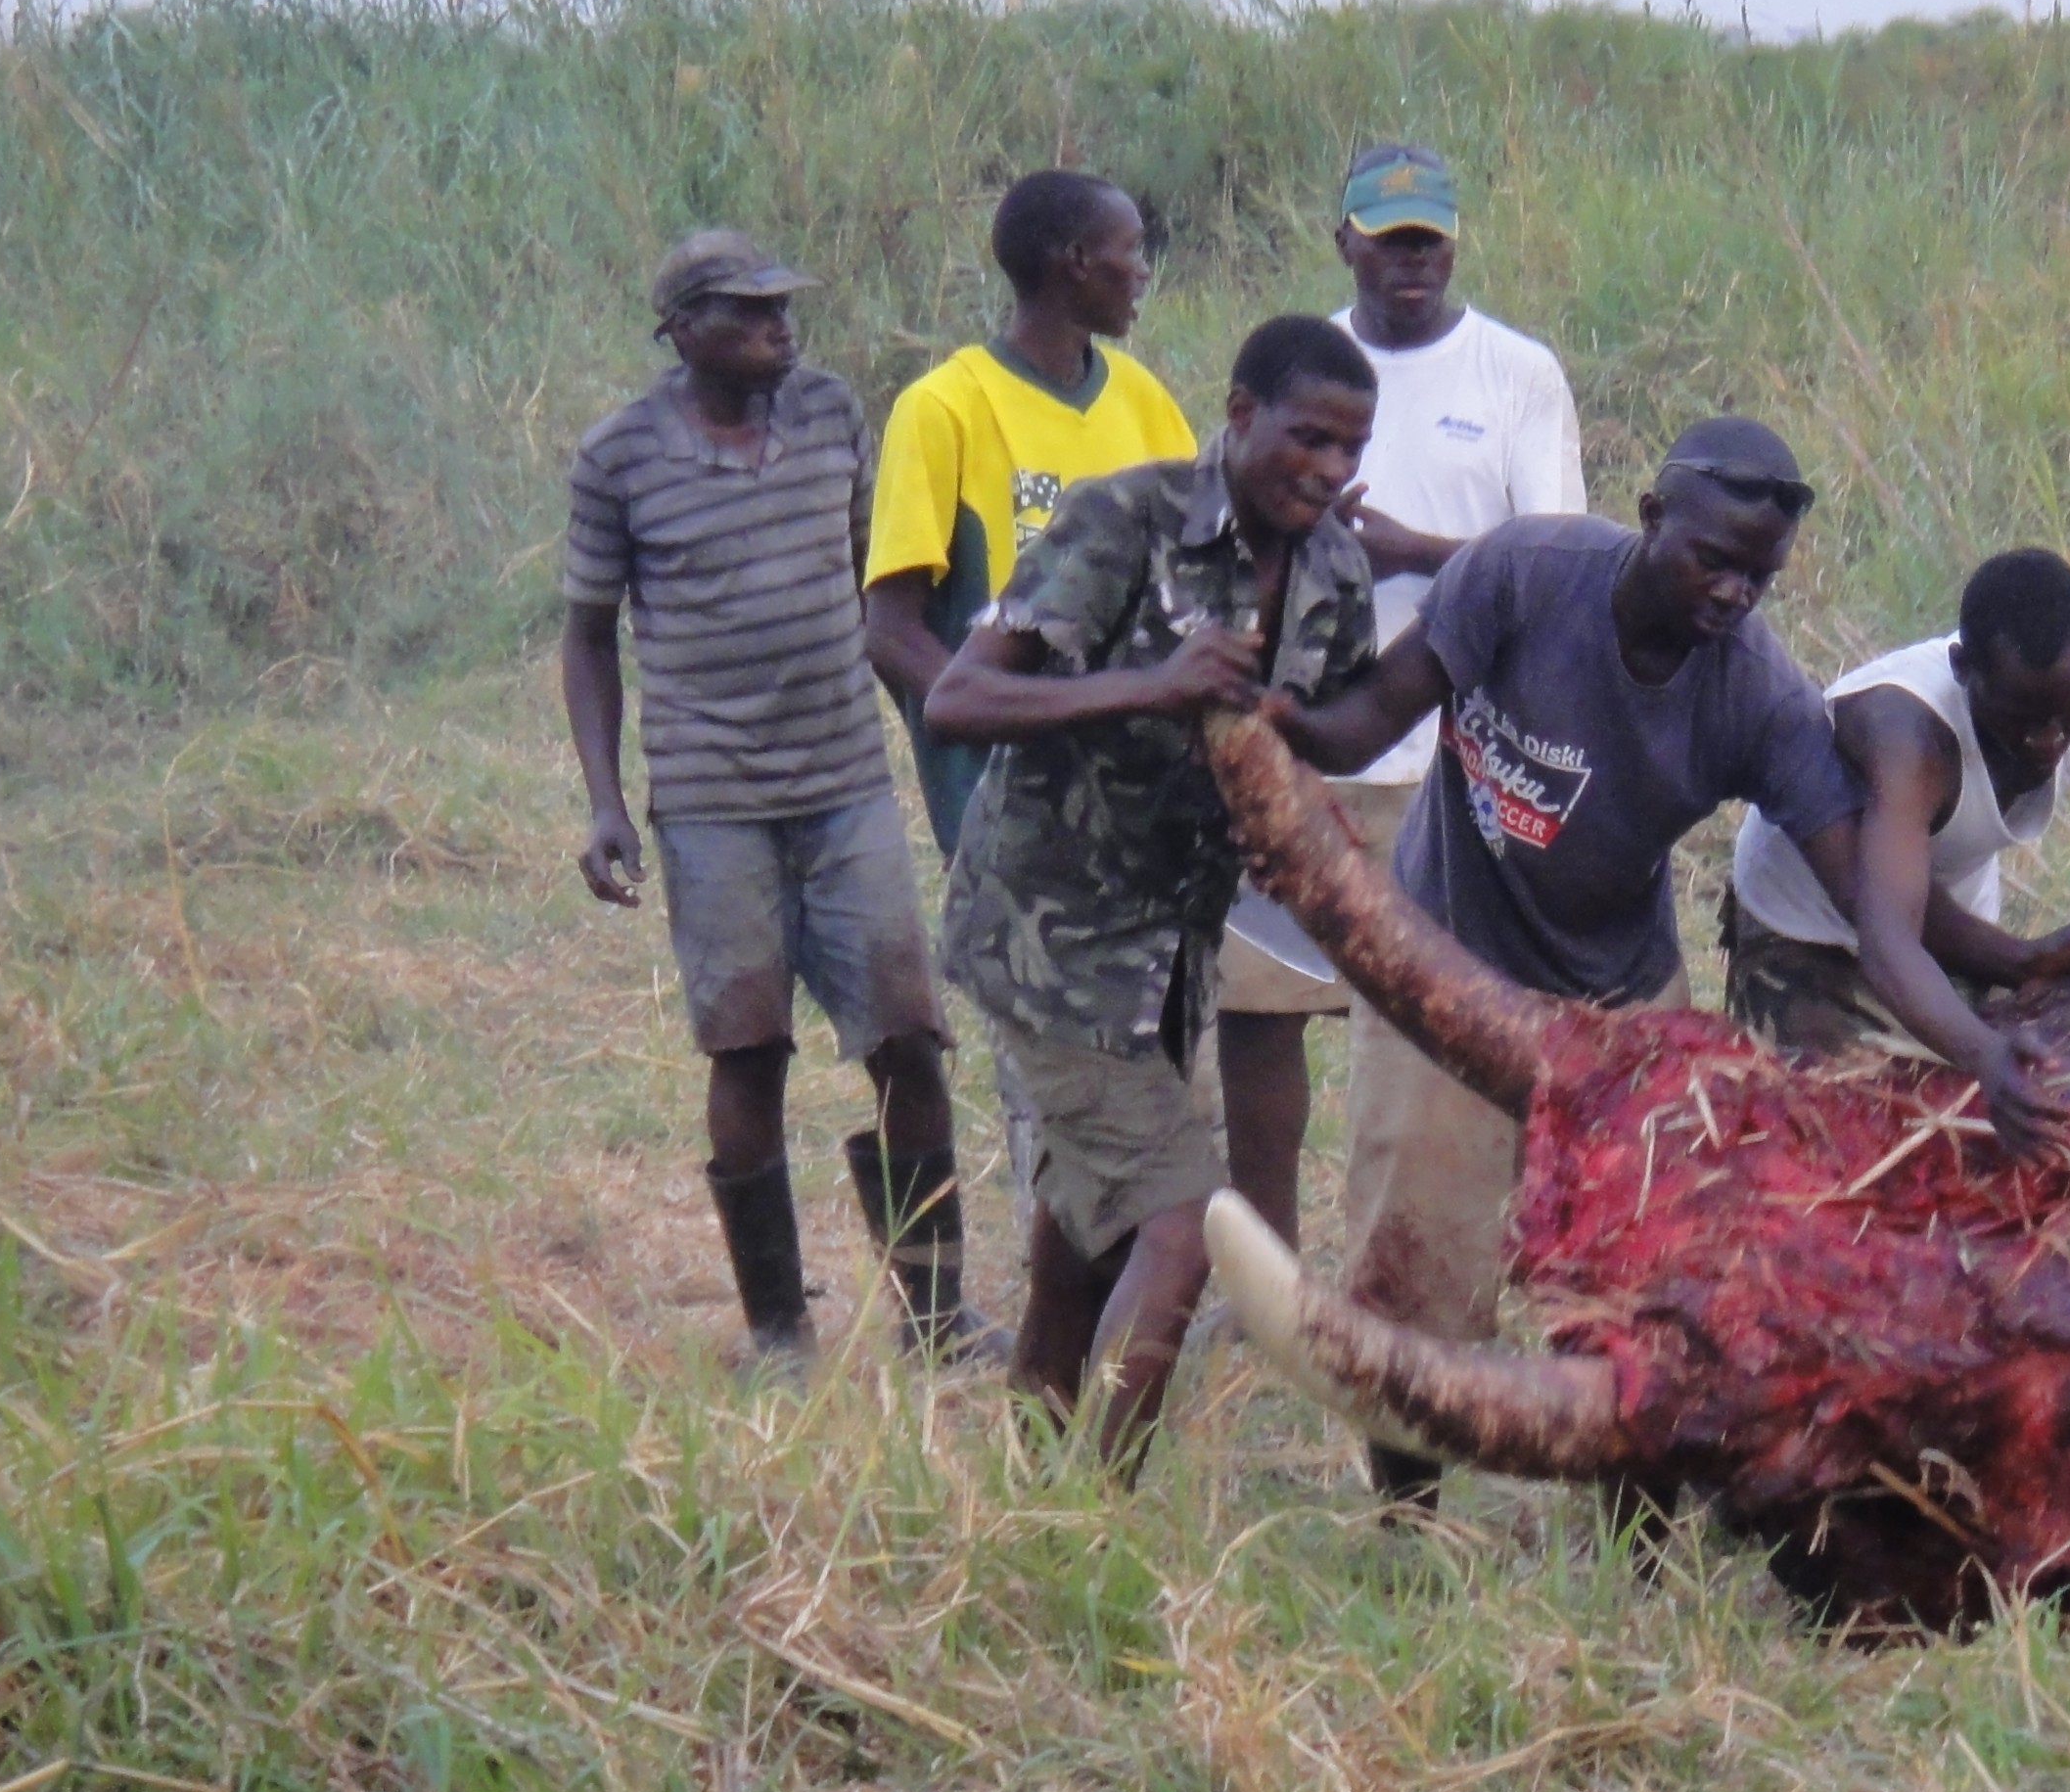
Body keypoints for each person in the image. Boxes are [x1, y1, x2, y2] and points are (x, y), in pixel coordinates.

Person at [1273, 417, 1863, 1517]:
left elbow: (1861, 886)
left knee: (1651, 1287)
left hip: (1619, 999)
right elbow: (1364, 725)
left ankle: (1633, 1551)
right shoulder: (1525, 575)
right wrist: (1249, 715)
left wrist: (1994, 985)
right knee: (1422, 1263)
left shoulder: (1757, 694)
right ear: (1649, 517)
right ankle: (1408, 1530)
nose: (1736, 593)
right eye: (1715, 560)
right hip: (1439, 958)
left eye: (1761, 576)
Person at [922, 315, 1380, 1476]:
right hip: (1047, 940)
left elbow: (1312, 734)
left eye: (1350, 447)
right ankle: (1096, 1525)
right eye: (1306, 438)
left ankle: (1028, 1487)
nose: (1326, 470)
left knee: (1082, 1237)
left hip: (1174, 952)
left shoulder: (1335, 572)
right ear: (1238, 415)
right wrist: (1148, 688)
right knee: (1182, 1232)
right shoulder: (1126, 517)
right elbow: (961, 702)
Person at [559, 230, 976, 1367]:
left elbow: (877, 596)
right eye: (749, 313)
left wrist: (934, 748)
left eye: (784, 308)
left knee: (908, 1042)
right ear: (682, 330)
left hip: (846, 783)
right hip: (711, 801)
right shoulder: (619, 458)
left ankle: (937, 1319)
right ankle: (780, 1330)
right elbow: (589, 639)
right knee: (747, 1052)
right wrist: (606, 802)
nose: (780, 330)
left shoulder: (832, 417)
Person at [1212, 143, 1587, 1254]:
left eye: (1427, 239)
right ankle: (1267, 1266)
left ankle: (1450, 1255)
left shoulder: (1515, 373)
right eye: (1387, 238)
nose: (1409, 261)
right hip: (1308, 744)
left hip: (1456, 765)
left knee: (1448, 1030)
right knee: (1260, 1010)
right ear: (1346, 242)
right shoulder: (1303, 366)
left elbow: (1557, 561)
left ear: (1455, 243)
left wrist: (1412, 550)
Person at [1722, 547, 2070, 1150]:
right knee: (1868, 1138)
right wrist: (1986, 1050)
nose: (2048, 739)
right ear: (1964, 668)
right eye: (2023, 718)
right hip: (1808, 934)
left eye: (2064, 716)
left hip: (1936, 915)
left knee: (2058, 1100)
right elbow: (1887, 936)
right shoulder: (1908, 735)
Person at [862, 169, 1199, 859]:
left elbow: (1196, 572)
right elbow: (892, 631)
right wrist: (999, 718)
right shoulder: (944, 408)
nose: (1141, 272)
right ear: (1077, 260)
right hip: (1012, 806)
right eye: (1131, 250)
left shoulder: (1142, 399)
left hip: (1137, 789)